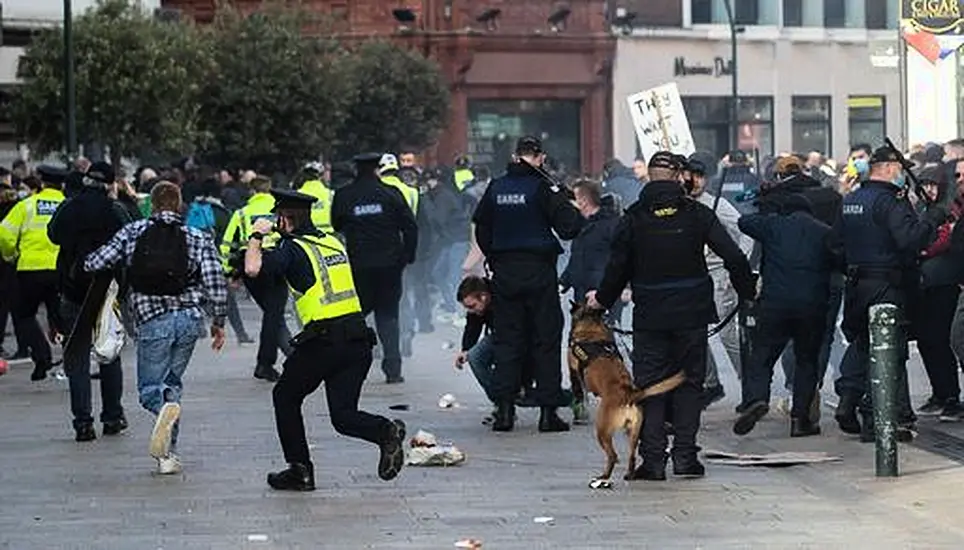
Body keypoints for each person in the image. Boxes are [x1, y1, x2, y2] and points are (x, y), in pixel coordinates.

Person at [587, 151, 755, 480]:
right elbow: (734, 255)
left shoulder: (634, 217)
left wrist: (603, 302)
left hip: (651, 314)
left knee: (651, 384)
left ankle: (652, 460)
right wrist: (746, 290)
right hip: (691, 311)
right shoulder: (697, 214)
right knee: (690, 382)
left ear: (649, 177)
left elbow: (617, 268)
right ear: (680, 176)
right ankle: (685, 457)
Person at [244, 188, 406, 491]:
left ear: (284, 219)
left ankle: (300, 470)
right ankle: (385, 430)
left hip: (324, 342)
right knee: (343, 416)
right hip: (358, 341)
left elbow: (252, 268)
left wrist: (255, 236)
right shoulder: (333, 243)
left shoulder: (292, 248)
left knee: (285, 397)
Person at [84, 181, 228, 475]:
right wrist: (219, 322)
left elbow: (94, 262)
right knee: (171, 384)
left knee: (151, 390)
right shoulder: (196, 237)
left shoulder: (133, 232)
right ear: (179, 204)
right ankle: (167, 456)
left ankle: (164, 422)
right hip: (188, 320)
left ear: (153, 205)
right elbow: (216, 282)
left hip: (152, 321)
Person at [472, 135, 584, 432]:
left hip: (505, 274)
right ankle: (548, 413)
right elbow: (570, 227)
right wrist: (569, 203)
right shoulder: (544, 187)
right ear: (540, 158)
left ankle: (505, 411)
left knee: (508, 340)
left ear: (514, 156)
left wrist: (496, 256)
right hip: (538, 272)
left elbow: (482, 228)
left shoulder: (496, 187)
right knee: (545, 340)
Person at [835, 146, 945, 442]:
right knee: (888, 351)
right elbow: (909, 240)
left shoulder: (852, 200)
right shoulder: (891, 201)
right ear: (887, 168)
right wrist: (931, 219)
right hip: (887, 284)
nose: (902, 174)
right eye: (899, 169)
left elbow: (836, 244)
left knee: (861, 343)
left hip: (857, 284)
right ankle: (876, 421)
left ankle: (847, 397)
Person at [733, 192, 838, 437]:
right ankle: (800, 420)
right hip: (812, 306)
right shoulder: (823, 231)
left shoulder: (773, 225)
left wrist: (767, 210)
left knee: (761, 356)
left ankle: (757, 399)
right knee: (806, 361)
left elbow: (743, 222)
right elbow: (839, 261)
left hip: (775, 304)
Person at [48, 161, 133, 441]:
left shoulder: (69, 207)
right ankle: (112, 416)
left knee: (77, 358)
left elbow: (53, 234)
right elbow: (131, 242)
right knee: (109, 352)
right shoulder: (115, 210)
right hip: (106, 292)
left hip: (73, 290)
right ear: (110, 184)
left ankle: (83, 423)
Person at [332, 153, 418, 384]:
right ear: (377, 169)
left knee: (356, 314)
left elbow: (336, 223)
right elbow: (410, 227)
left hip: (359, 265)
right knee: (388, 316)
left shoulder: (345, 195)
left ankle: (347, 363)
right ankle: (393, 369)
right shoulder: (391, 194)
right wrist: (407, 257)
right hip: (390, 265)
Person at [682, 156, 752, 408]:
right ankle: (710, 383)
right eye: (692, 175)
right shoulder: (680, 205)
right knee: (693, 333)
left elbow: (745, 233)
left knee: (726, 334)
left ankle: (750, 385)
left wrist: (736, 264)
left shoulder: (717, 205)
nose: (696, 181)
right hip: (691, 275)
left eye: (701, 176)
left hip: (718, 275)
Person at [221, 176, 292, 381]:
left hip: (250, 264)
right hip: (276, 262)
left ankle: (273, 361)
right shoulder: (279, 211)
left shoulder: (242, 213)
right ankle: (267, 363)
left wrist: (229, 272)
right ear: (269, 191)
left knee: (272, 313)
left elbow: (227, 244)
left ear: (252, 192)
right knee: (274, 313)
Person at [0, 165, 66, 381]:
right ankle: (73, 360)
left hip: (29, 270)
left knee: (24, 315)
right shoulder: (67, 205)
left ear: (42, 183)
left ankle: (42, 355)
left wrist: (11, 254)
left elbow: (5, 234)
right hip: (59, 269)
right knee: (61, 317)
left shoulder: (26, 205)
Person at [296, 161, 335, 234]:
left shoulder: (297, 195)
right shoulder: (330, 194)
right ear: (321, 176)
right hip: (328, 236)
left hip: (304, 236)